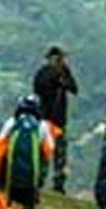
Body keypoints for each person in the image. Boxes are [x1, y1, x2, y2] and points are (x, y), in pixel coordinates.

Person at [0, 94, 56, 209]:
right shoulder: (42, 126)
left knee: (7, 198)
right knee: (29, 203)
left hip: (11, 175)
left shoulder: (12, 122)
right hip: (31, 176)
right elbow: (49, 149)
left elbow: (0, 142)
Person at [32, 46, 79, 193]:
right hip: (46, 118)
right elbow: (38, 88)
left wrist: (63, 78)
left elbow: (74, 88)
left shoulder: (65, 72)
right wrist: (55, 78)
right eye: (58, 58)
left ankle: (59, 183)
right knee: (44, 151)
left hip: (59, 119)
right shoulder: (43, 72)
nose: (60, 60)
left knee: (60, 152)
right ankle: (39, 180)